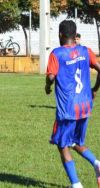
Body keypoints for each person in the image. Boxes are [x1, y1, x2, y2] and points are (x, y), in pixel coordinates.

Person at [45, 20, 100, 188]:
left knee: (62, 145)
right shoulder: (85, 51)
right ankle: (97, 163)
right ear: (75, 35)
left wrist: (47, 85)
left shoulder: (57, 53)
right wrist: (95, 89)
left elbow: (51, 76)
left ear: (60, 34)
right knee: (75, 142)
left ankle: (76, 185)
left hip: (67, 109)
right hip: (85, 106)